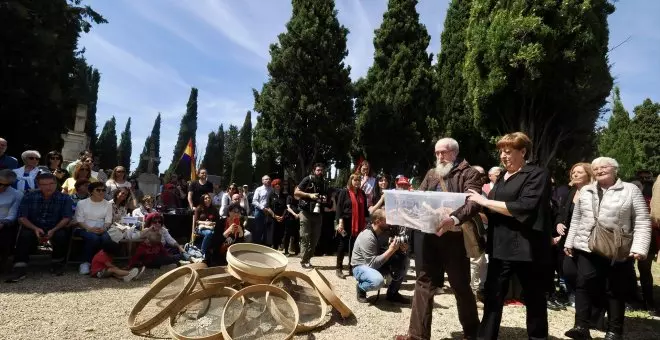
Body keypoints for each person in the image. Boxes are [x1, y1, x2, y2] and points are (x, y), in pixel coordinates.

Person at [464, 132, 553, 340]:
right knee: (493, 297)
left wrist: (484, 202)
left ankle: (538, 337)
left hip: (528, 247)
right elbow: (494, 211)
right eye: (501, 152)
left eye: (508, 151)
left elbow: (524, 207)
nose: (503, 156)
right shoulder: (503, 177)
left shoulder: (536, 174)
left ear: (523, 151)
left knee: (534, 298)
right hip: (500, 246)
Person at [395, 138, 481, 340]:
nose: (440, 157)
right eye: (437, 153)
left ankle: (473, 332)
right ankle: (417, 335)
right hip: (430, 236)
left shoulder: (469, 173)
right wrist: (410, 199)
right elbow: (422, 196)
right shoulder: (432, 173)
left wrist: (453, 218)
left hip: (455, 238)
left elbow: (474, 202)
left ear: (455, 153)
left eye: (444, 152)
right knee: (423, 282)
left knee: (460, 284)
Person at [563, 157, 651, 340]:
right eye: (595, 168)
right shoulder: (586, 190)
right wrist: (569, 241)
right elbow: (576, 219)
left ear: (615, 169)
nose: (599, 170)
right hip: (586, 246)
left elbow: (642, 220)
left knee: (614, 289)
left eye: (604, 167)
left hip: (617, 248)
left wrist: (640, 247)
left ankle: (614, 331)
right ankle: (581, 326)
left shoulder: (630, 190)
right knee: (583, 284)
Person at [5, 173, 73, 282]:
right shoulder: (29, 196)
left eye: (51, 183)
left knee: (61, 234)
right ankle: (20, 267)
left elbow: (66, 217)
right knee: (25, 234)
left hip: (55, 226)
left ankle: (57, 263)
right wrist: (35, 228)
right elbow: (22, 217)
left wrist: (53, 230)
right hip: (33, 226)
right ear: (38, 185)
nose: (49, 187)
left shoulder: (65, 198)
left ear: (56, 184)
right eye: (44, 184)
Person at [555, 163, 594, 309]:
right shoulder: (570, 192)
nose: (575, 175)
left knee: (584, 270)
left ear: (588, 175)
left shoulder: (593, 192)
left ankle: (584, 297)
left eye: (579, 172)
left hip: (585, 237)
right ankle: (572, 293)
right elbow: (561, 212)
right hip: (567, 237)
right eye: (573, 172)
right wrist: (558, 223)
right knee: (567, 269)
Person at [352, 209, 409, 303]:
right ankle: (361, 288)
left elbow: (387, 253)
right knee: (378, 281)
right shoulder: (367, 236)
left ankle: (392, 293)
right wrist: (391, 250)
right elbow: (372, 264)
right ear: (378, 221)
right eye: (387, 220)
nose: (390, 223)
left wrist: (402, 249)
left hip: (377, 262)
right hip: (361, 266)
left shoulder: (385, 233)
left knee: (404, 261)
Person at [73, 182, 114, 275]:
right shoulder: (82, 203)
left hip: (101, 228)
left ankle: (102, 262)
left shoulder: (108, 204)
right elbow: (79, 220)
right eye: (98, 190)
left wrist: (104, 228)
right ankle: (85, 263)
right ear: (91, 191)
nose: (101, 192)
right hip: (83, 228)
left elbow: (108, 220)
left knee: (106, 239)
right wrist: (90, 229)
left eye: (103, 190)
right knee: (93, 238)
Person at [294, 163, 328, 269]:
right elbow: (296, 192)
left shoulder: (324, 182)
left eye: (321, 170)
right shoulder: (307, 180)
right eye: (318, 170)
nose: (320, 172)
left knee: (315, 239)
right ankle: (304, 260)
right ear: (314, 170)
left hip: (317, 213)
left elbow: (326, 195)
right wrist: (309, 195)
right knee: (305, 237)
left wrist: (324, 198)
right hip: (305, 213)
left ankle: (308, 259)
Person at [335, 174, 368, 279]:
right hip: (346, 222)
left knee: (355, 246)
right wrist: (340, 222)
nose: (357, 182)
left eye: (359, 180)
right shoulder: (344, 192)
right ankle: (338, 268)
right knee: (342, 244)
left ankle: (352, 267)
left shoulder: (362, 193)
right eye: (355, 180)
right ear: (351, 180)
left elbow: (365, 210)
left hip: (359, 224)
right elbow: (339, 208)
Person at [0, 169, 23, 271]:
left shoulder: (16, 194)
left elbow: (13, 214)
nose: (1, 187)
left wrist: (3, 223)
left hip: (4, 224)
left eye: (5, 185)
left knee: (4, 235)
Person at [252, 175, 273, 245]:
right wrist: (262, 208)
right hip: (259, 211)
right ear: (262, 181)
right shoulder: (259, 189)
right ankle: (256, 245)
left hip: (269, 212)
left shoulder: (272, 189)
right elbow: (254, 201)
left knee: (266, 230)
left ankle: (264, 246)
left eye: (269, 179)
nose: (268, 180)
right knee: (258, 230)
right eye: (266, 179)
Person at [269, 179, 288, 251]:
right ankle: (274, 246)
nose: (277, 186)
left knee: (281, 232)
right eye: (276, 184)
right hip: (274, 217)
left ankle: (281, 245)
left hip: (282, 217)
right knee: (274, 232)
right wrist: (275, 216)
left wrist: (282, 216)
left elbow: (286, 207)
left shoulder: (284, 196)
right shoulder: (271, 195)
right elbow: (268, 207)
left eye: (279, 184)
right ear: (273, 186)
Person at [283, 186, 301, 256]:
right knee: (287, 234)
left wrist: (298, 214)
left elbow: (302, 207)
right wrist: (294, 214)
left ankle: (297, 251)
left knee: (297, 235)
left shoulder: (301, 198)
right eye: (297, 189)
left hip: (297, 218)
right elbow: (288, 208)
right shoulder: (289, 197)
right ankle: (286, 251)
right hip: (289, 218)